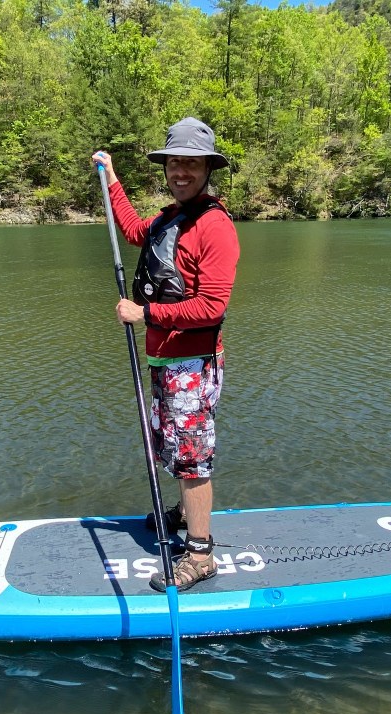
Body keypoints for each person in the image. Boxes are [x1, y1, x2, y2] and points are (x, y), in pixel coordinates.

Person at [92, 118, 239, 592]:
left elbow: (212, 307)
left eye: (192, 164)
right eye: (175, 162)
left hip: (192, 366)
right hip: (165, 361)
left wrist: (145, 313)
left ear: (208, 170)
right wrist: (112, 179)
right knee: (173, 447)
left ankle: (200, 554)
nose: (181, 171)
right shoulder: (170, 218)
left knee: (192, 459)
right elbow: (135, 231)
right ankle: (182, 512)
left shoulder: (215, 227)